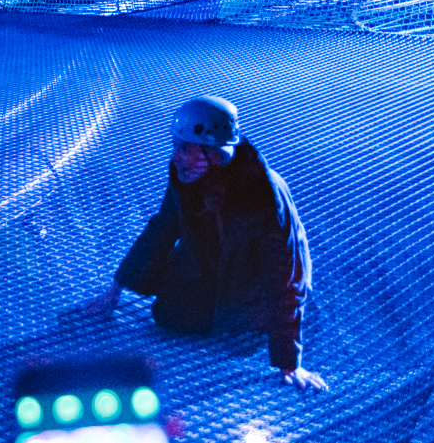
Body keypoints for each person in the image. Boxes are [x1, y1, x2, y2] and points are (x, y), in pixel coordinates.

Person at [78, 96, 328, 391]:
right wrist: (116, 288)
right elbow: (163, 227)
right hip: (212, 263)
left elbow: (285, 276)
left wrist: (289, 362)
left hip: (251, 283)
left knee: (233, 329)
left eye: (185, 148)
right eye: (176, 147)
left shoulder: (264, 197)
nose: (176, 157)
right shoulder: (189, 176)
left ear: (213, 152)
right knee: (170, 316)